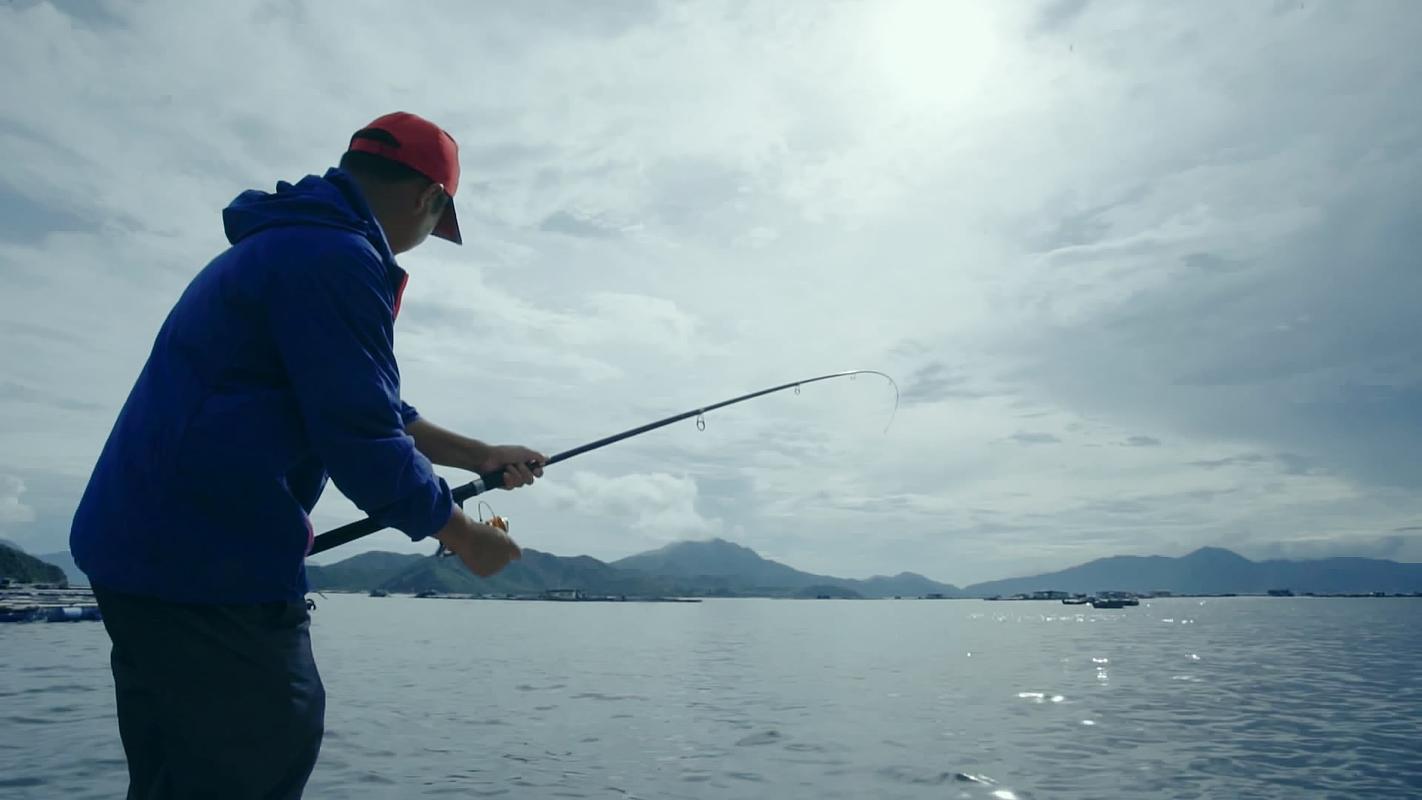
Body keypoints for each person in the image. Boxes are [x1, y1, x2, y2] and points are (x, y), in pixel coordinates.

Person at [69, 111, 543, 799]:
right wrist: (463, 535)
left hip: (147, 555)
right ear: (428, 198)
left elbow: (363, 404)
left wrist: (480, 456)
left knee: (179, 776)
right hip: (204, 564)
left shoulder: (293, 244)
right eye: (435, 226)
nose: (420, 243)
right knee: (264, 751)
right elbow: (363, 437)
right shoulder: (338, 258)